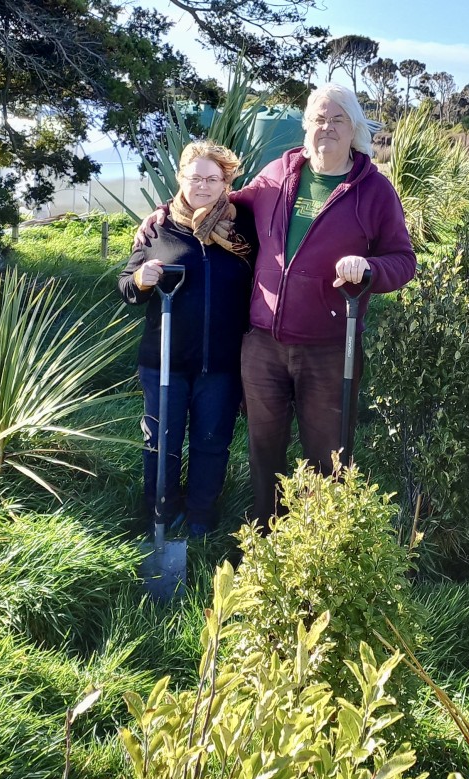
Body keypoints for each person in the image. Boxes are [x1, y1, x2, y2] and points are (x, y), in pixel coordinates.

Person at [135, 84, 415, 528]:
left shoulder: (374, 191)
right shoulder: (279, 174)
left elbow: (404, 260)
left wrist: (369, 269)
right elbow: (220, 202)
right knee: (264, 448)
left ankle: (319, 541)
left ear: (355, 128)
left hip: (327, 344)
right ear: (306, 126)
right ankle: (266, 535)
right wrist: (165, 212)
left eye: (338, 118)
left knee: (328, 452)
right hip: (263, 344)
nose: (327, 127)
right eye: (319, 118)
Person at [120, 141, 255, 538]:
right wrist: (141, 281)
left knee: (211, 443)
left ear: (226, 181)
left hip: (221, 363)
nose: (203, 185)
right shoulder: (158, 227)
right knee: (162, 442)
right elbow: (126, 286)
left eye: (213, 178)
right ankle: (161, 512)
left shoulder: (244, 227)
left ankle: (200, 518)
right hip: (164, 361)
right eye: (195, 177)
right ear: (180, 177)